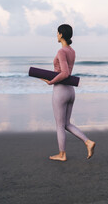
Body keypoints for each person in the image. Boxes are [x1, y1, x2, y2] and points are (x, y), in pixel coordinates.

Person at [41, 24, 96, 162]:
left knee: (60, 125)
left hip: (60, 91)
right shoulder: (72, 51)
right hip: (70, 91)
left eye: (57, 33)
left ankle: (62, 154)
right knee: (66, 123)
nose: (56, 35)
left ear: (61, 34)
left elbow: (64, 73)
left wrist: (51, 81)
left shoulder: (61, 52)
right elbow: (67, 72)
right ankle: (88, 142)